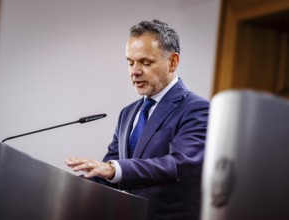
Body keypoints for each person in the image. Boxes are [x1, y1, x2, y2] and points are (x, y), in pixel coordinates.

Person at [65, 19, 209, 220]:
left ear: (173, 62)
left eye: (145, 62)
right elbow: (110, 174)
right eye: (130, 62)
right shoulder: (128, 113)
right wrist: (64, 187)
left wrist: (114, 168)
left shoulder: (197, 108)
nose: (134, 71)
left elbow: (179, 165)